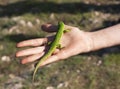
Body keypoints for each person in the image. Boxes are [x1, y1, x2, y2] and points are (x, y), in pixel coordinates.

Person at [16, 23, 120, 67]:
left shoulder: (61, 30)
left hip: (54, 45)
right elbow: (67, 30)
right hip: (55, 46)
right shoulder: (64, 29)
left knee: (48, 52)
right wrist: (89, 39)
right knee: (49, 52)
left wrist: (89, 40)